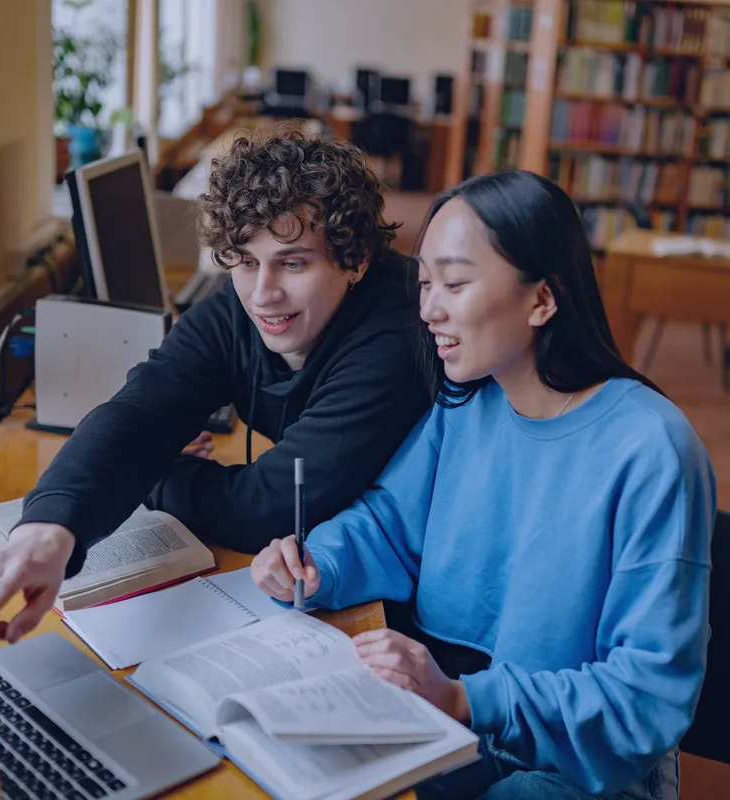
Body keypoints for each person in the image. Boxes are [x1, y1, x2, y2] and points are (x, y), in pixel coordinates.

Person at [250, 170, 716, 800]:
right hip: (462, 724)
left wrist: (465, 698)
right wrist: (317, 564)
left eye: (456, 283)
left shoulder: (650, 448)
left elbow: (645, 696)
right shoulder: (465, 401)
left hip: (577, 770)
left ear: (542, 299)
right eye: (424, 283)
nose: (428, 308)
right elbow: (391, 523)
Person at [0, 131, 428, 643]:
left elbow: (266, 508)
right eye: (246, 261)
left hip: (408, 615)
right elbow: (143, 407)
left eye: (293, 262)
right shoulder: (240, 305)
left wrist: (161, 470)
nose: (263, 295)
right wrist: (47, 532)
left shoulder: (399, 330)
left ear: (355, 258)